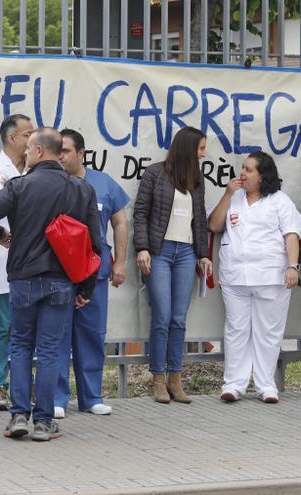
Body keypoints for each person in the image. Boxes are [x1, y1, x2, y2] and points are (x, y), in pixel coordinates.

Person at [0, 127, 101, 441]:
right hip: (61, 281)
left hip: (23, 279)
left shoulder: (19, 187)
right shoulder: (81, 189)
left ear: (40, 152)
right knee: (49, 351)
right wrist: (85, 288)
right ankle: (44, 422)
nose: (25, 153)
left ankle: (18, 416)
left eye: (29, 149)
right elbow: (94, 245)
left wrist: (1, 236)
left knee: (19, 345)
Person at [208, 151, 301, 403]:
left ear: (262, 176)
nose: (242, 174)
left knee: (268, 332)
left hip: (271, 277)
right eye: (243, 168)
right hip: (235, 276)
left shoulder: (280, 201)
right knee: (236, 330)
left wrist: (292, 266)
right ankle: (234, 384)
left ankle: (265, 385)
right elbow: (214, 226)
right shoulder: (235, 197)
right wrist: (227, 194)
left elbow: (291, 235)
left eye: (249, 170)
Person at [133, 126, 212, 404]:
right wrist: (142, 248)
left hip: (187, 252)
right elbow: (140, 213)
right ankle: (157, 379)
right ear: (188, 148)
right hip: (160, 252)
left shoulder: (196, 179)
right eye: (201, 148)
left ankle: (175, 379)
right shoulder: (155, 173)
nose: (204, 153)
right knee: (163, 316)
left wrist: (203, 254)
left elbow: (199, 219)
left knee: (179, 318)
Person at [54, 129, 129, 418]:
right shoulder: (52, 183)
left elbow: (120, 223)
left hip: (95, 274)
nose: (61, 156)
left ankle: (91, 396)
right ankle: (58, 398)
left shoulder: (103, 183)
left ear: (81, 154)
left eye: (67, 151)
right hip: (59, 274)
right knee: (58, 336)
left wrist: (120, 262)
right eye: (57, 151)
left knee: (91, 336)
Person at [0, 114, 34, 411]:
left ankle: (25, 385)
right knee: (1, 326)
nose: (32, 139)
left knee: (28, 326)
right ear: (12, 138)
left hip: (33, 253)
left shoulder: (37, 165)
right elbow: (4, 199)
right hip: (4, 252)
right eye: (28, 134)